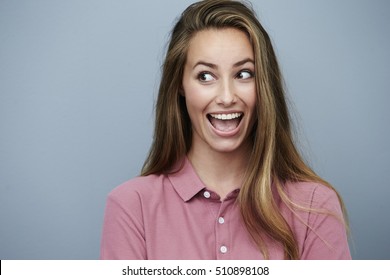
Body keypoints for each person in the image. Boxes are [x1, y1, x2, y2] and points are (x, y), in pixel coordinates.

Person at [100, 0, 351, 260]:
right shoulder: (131, 207)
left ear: (264, 85)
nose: (227, 96)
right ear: (179, 86)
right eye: (205, 76)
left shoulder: (314, 207)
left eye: (243, 74)